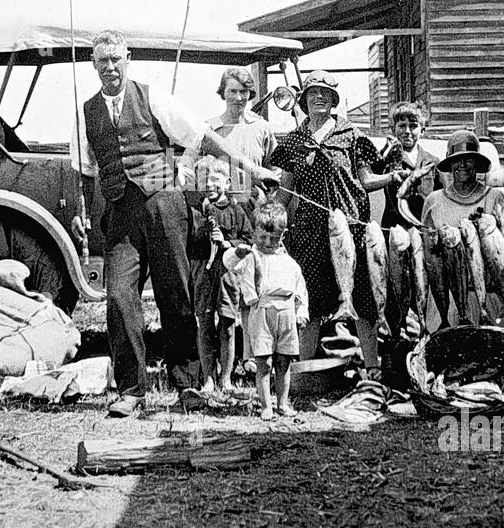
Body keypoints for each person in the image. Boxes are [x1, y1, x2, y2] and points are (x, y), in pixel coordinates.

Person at [70, 30, 279, 418]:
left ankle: (187, 385)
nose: (110, 67)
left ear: (127, 58)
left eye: (116, 59)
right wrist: (80, 212)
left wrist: (250, 168)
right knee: (118, 297)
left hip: (165, 204)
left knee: (176, 294)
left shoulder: (153, 96)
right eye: (102, 61)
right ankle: (132, 389)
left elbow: (202, 137)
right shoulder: (86, 112)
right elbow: (84, 170)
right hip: (120, 213)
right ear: (94, 63)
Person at [268, 70, 387, 378]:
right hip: (309, 233)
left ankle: (371, 368)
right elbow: (285, 189)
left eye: (324, 93)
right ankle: (303, 372)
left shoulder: (353, 136)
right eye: (311, 93)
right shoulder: (294, 141)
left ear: (334, 100)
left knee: (361, 296)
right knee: (311, 300)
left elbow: (367, 180)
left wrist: (394, 177)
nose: (318, 97)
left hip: (350, 229)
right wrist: (270, 218)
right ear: (303, 102)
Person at [420, 129, 504, 330]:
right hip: (449, 298)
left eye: (469, 159)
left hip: (490, 296)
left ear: (477, 163)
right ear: (450, 164)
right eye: (458, 160)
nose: (463, 165)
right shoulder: (434, 202)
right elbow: (427, 256)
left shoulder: (494, 197)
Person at [223, 202, 309, 420]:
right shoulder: (250, 257)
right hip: (261, 311)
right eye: (262, 238)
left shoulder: (290, 263)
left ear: (283, 235)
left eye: (274, 238)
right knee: (265, 363)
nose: (268, 243)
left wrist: (302, 312)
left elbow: (301, 290)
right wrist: (237, 252)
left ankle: (282, 403)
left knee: (284, 361)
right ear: (253, 233)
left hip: (286, 312)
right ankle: (266, 406)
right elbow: (229, 263)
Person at [187, 164, 251, 395]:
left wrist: (228, 244)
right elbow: (188, 240)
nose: (208, 184)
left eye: (214, 179)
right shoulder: (195, 210)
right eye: (203, 178)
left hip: (227, 273)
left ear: (227, 183)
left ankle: (226, 377)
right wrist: (205, 230)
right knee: (204, 323)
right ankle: (208, 378)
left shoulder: (236, 211)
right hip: (202, 270)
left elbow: (248, 239)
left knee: (227, 325)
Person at [179, 66, 277, 205]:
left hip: (255, 208)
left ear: (250, 94)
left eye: (243, 92)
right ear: (223, 92)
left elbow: (275, 170)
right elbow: (186, 166)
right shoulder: (208, 129)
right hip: (219, 210)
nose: (238, 98)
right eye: (232, 91)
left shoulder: (262, 128)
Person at [372, 100, 441, 229]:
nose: (407, 131)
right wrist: (385, 152)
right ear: (393, 129)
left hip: (425, 227)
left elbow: (441, 196)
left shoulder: (432, 162)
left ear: (422, 130)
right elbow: (372, 175)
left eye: (413, 126)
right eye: (402, 125)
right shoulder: (388, 158)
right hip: (394, 228)